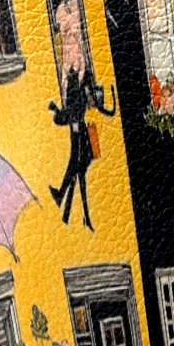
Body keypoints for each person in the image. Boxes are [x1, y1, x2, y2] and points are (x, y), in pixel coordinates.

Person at [49, 63, 113, 230]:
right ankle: (76, 212)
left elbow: (70, 115)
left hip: (80, 137)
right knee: (78, 175)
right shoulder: (80, 92)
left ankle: (63, 200)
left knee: (76, 170)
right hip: (80, 137)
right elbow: (72, 114)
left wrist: (56, 111)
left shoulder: (76, 92)